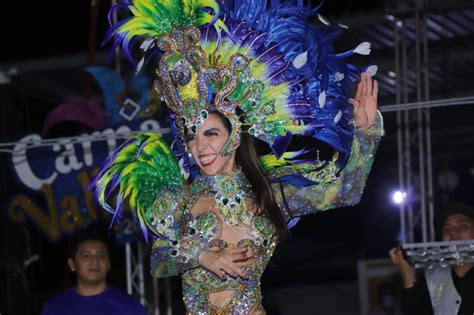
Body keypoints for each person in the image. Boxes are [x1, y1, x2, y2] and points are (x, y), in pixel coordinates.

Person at [92, 0, 383, 313]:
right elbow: (160, 261)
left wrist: (367, 133)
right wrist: (203, 256)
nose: (199, 145)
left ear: (233, 135)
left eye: (210, 134)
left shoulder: (271, 196)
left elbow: (346, 191)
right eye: (191, 136)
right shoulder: (179, 198)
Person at [389, 203, 474, 315]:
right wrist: (407, 278)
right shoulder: (432, 279)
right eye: (447, 229)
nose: (453, 231)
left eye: (463, 226)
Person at [41, 231, 148, 315]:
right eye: (86, 256)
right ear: (72, 264)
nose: (95, 261)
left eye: (101, 255)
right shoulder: (55, 308)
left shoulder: (130, 307)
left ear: (108, 264)